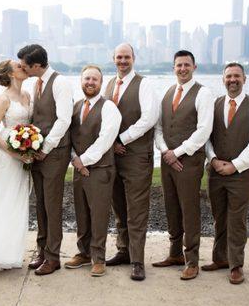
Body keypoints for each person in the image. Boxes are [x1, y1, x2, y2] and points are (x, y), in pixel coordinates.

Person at [202, 62, 249, 284]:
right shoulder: (215, 105)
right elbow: (206, 137)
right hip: (216, 172)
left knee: (236, 219)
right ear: (223, 80)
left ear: (244, 79)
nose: (233, 80)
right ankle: (220, 258)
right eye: (228, 76)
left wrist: (235, 165)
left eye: (237, 76)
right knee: (219, 218)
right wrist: (212, 159)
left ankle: (236, 265)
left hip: (242, 174)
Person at [153, 50, 214, 280]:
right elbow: (158, 128)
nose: (182, 69)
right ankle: (174, 253)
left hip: (189, 161)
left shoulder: (203, 94)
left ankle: (192, 261)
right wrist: (165, 151)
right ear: (173, 68)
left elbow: (204, 130)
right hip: (167, 160)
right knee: (171, 207)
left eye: (187, 65)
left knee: (189, 209)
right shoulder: (168, 93)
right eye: (179, 65)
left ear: (194, 67)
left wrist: (177, 153)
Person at [103, 43, 159, 281]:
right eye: (119, 57)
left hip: (136, 156)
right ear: (113, 59)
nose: (122, 61)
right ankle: (123, 250)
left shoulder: (144, 85)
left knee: (136, 210)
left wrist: (121, 139)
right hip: (112, 156)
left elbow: (149, 119)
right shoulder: (108, 84)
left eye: (126, 57)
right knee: (119, 206)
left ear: (134, 58)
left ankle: (137, 260)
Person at [19, 44, 73, 276]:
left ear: (37, 65)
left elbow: (64, 120)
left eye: (25, 65)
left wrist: (47, 147)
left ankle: (53, 257)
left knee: (52, 206)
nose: (22, 68)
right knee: (39, 203)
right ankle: (42, 251)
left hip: (54, 153)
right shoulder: (35, 84)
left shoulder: (60, 83)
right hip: (37, 153)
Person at [64, 65, 121, 277]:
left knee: (98, 214)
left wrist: (84, 161)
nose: (90, 82)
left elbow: (106, 139)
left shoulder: (109, 108)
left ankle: (98, 258)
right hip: (79, 168)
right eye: (87, 78)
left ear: (101, 82)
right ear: (81, 80)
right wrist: (74, 159)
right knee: (82, 213)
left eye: (94, 79)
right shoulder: (76, 106)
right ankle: (83, 253)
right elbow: (69, 136)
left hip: (100, 169)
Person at [0, 60, 33, 270]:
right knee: (5, 199)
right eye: (19, 66)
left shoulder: (27, 95)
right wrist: (14, 153)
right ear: (10, 74)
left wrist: (29, 145)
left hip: (24, 149)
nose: (24, 67)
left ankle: (12, 252)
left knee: (19, 200)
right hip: (7, 152)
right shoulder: (3, 98)